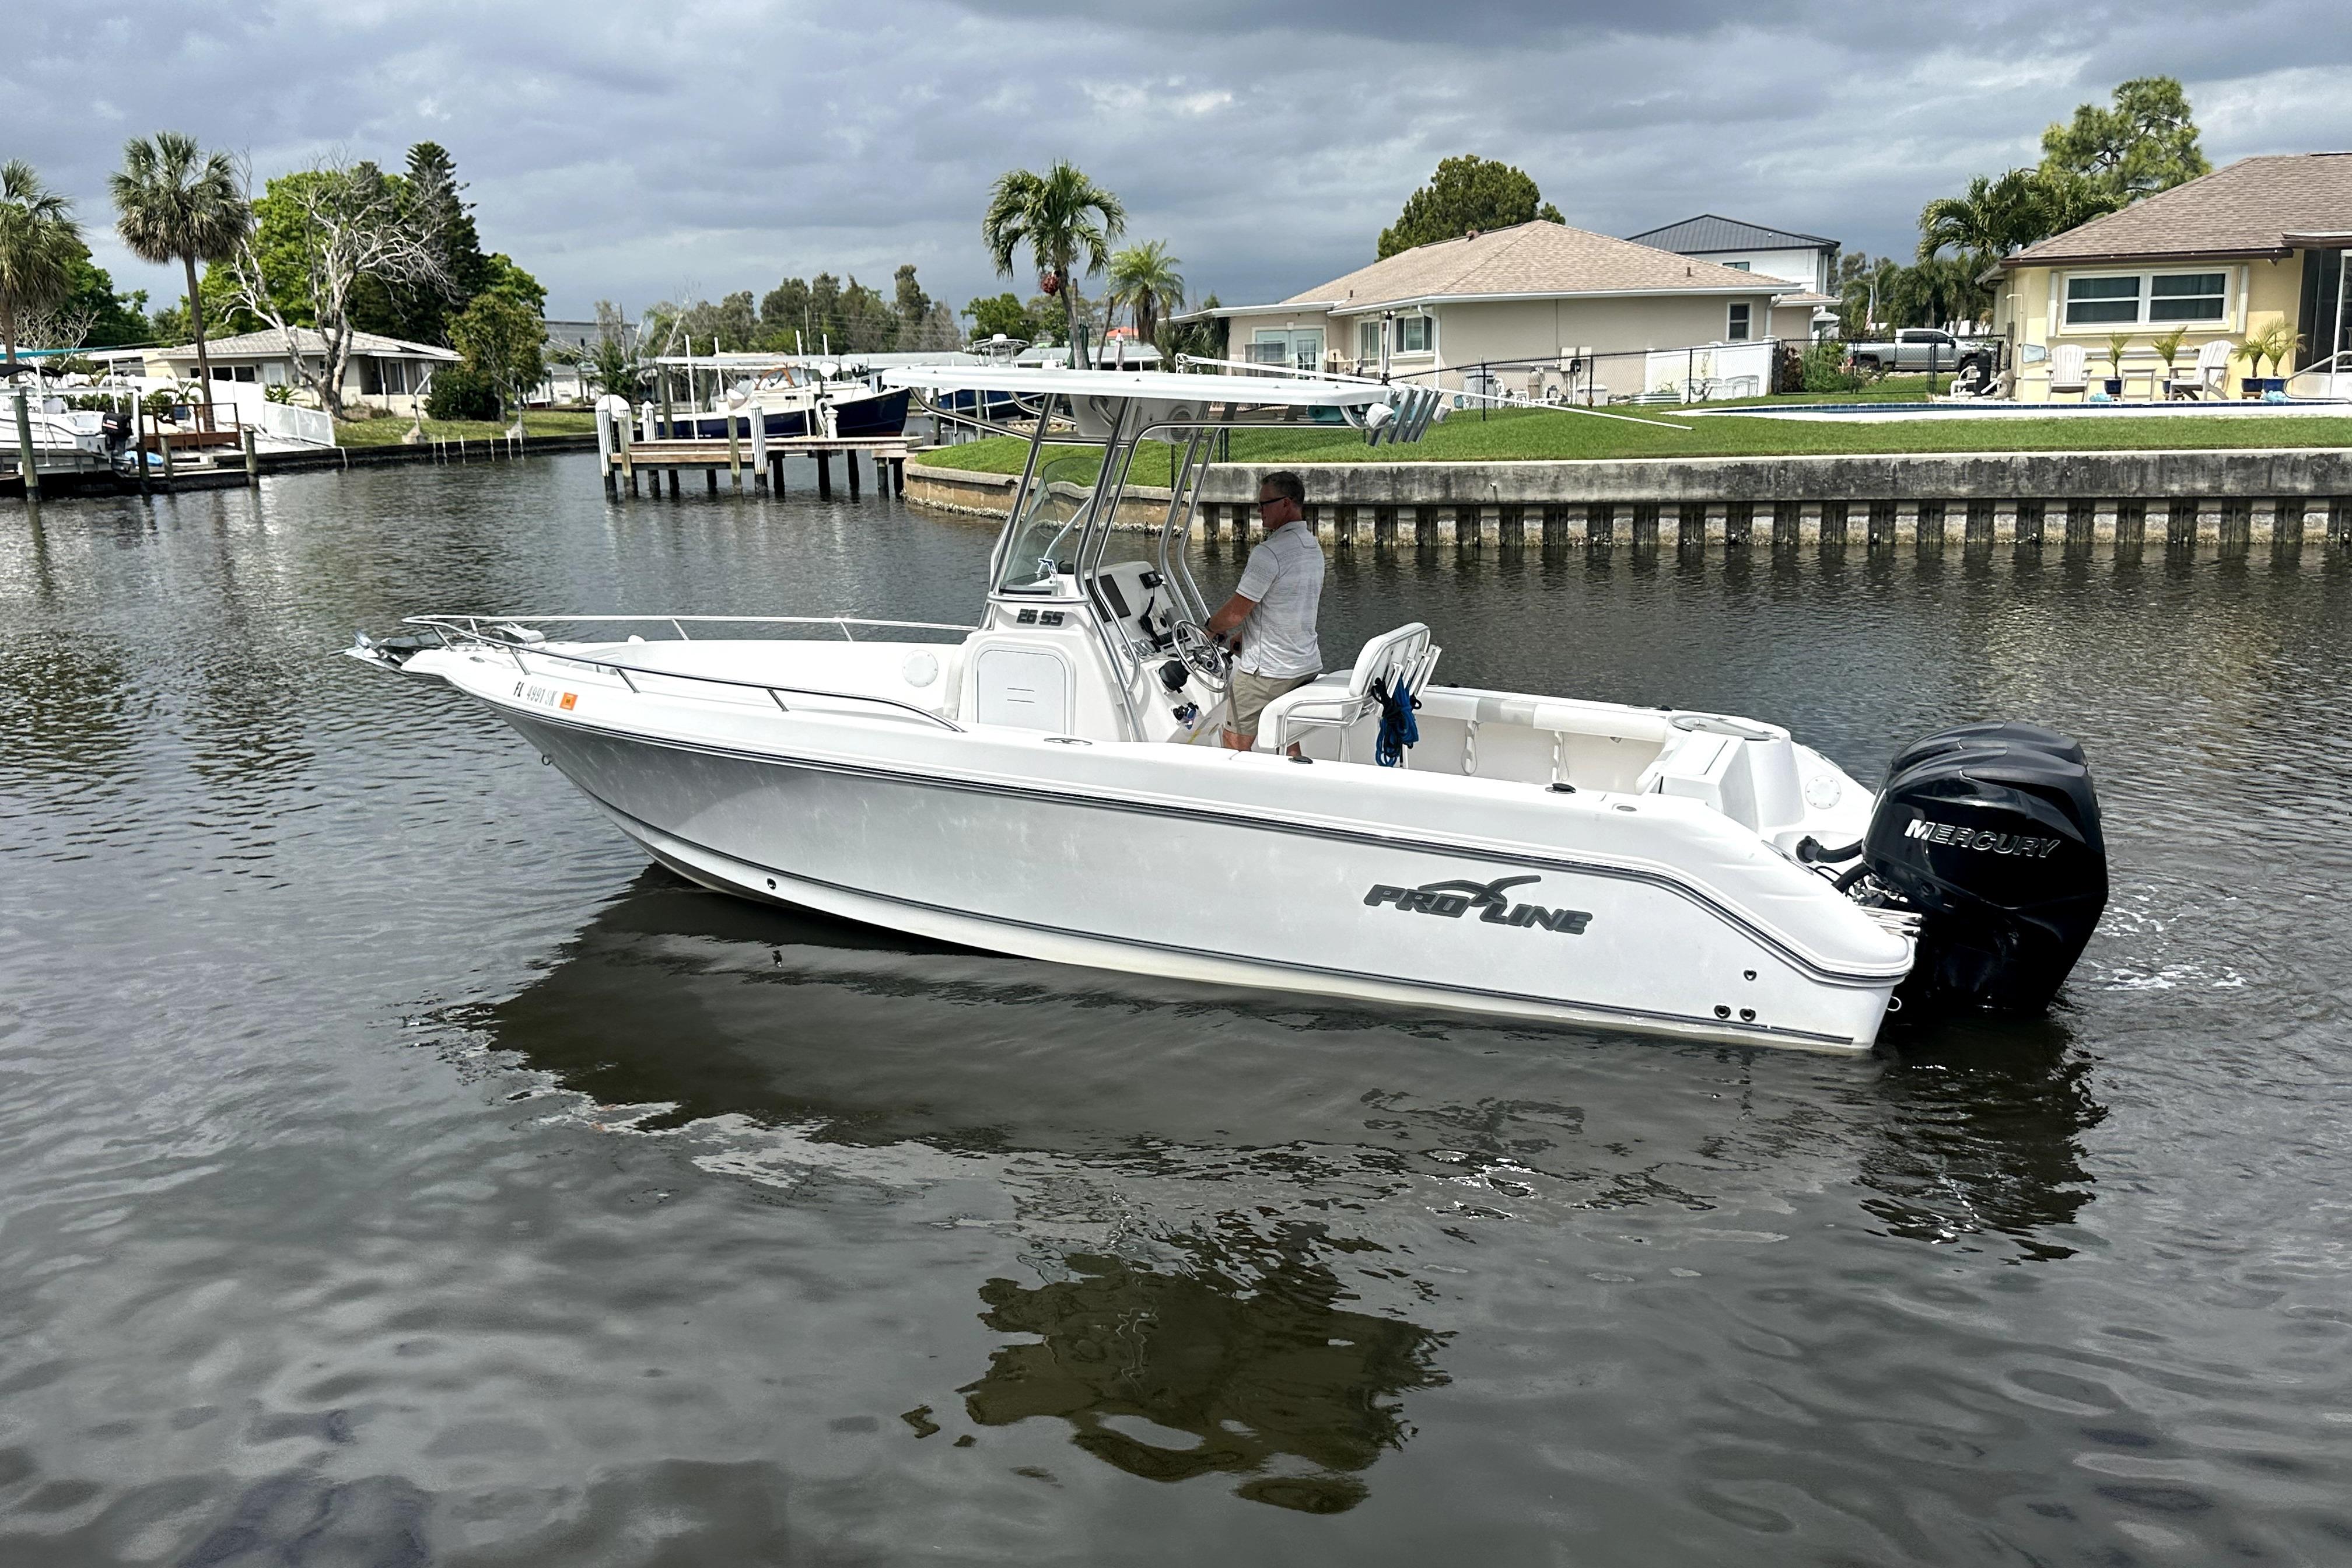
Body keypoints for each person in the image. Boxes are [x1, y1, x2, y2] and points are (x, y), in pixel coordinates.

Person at [1206, 471, 1324, 751]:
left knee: (1234, 741)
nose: (1258, 511)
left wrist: (1211, 628)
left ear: (1287, 503)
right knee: (1286, 736)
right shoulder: (1312, 547)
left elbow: (1235, 613)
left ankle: (1238, 793)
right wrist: (1246, 638)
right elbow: (1290, 607)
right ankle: (1293, 784)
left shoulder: (1268, 553)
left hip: (1268, 672)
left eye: (1264, 503)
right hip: (1303, 665)